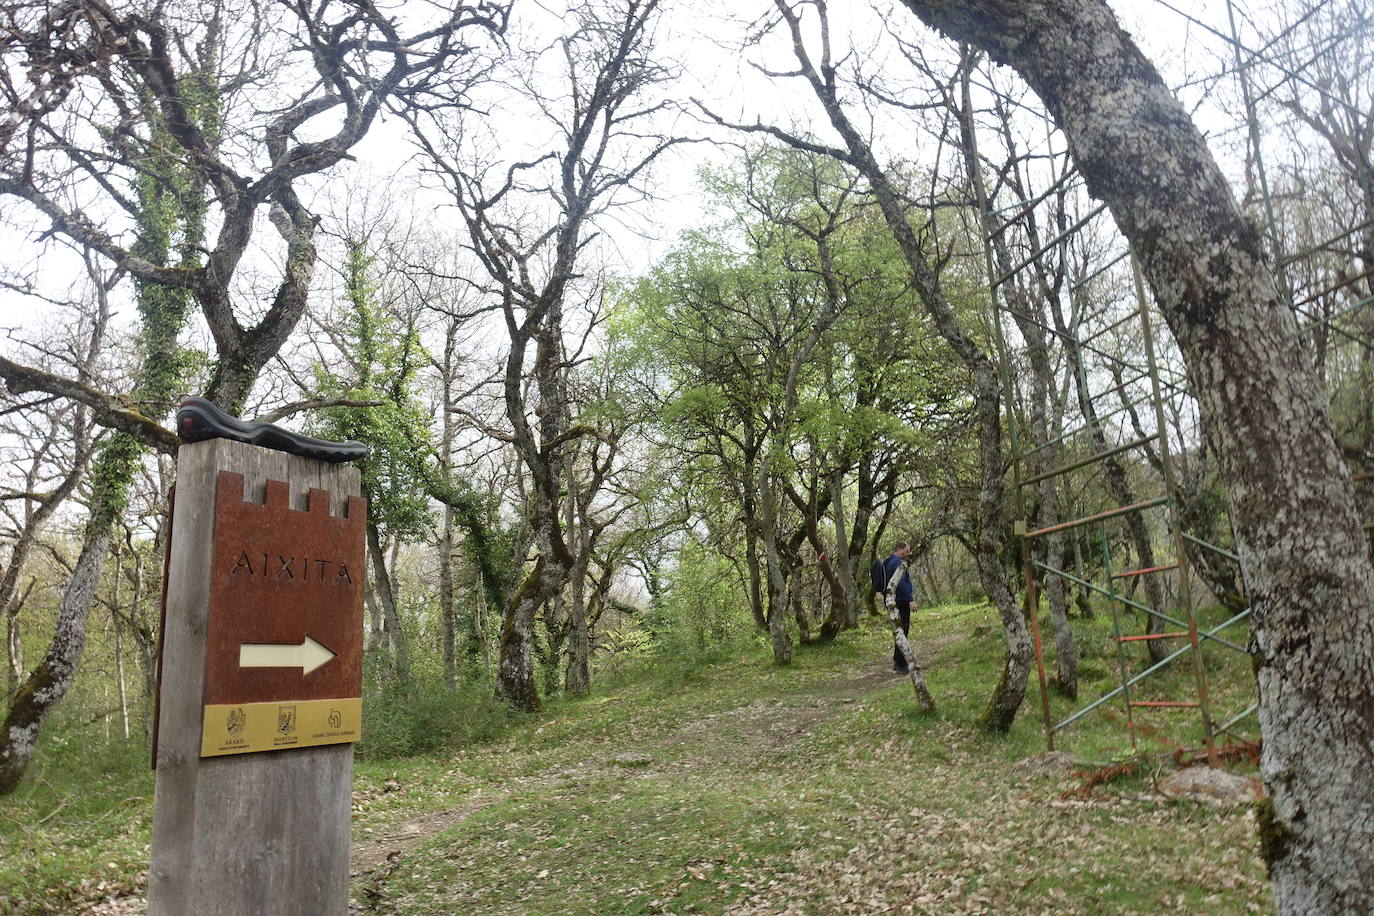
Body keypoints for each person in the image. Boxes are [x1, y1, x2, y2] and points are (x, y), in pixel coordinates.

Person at [882, 541, 915, 673]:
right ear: (899, 549)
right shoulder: (897, 563)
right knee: (903, 631)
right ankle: (901, 664)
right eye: (906, 551)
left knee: (899, 631)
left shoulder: (888, 561)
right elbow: (900, 583)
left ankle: (898, 661)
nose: (908, 554)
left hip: (893, 601)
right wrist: (910, 600)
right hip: (900, 602)